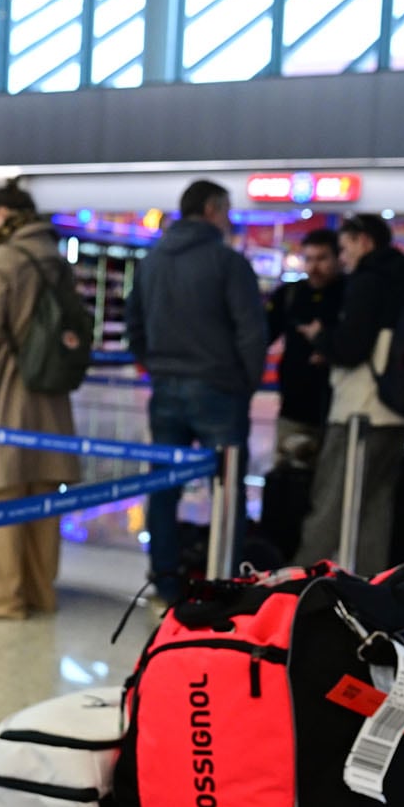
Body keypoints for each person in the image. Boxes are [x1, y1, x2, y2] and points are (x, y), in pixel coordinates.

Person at [128, 179, 266, 601]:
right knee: (225, 490)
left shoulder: (151, 262)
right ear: (210, 209)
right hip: (219, 388)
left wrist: (155, 367)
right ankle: (225, 581)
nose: (229, 219)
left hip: (166, 388)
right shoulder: (228, 263)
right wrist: (247, 383)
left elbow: (135, 328)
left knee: (164, 489)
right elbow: (251, 331)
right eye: (226, 210)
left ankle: (164, 580)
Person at [0, 182, 80, 618]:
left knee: (4, 495)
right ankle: (40, 593)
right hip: (50, 395)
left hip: (7, 394)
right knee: (44, 498)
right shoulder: (55, 257)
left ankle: (4, 599)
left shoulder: (4, 257)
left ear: (3, 214)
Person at [293, 214, 404, 572]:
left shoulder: (369, 281)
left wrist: (321, 336)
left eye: (346, 249)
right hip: (395, 409)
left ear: (364, 242)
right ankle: (367, 587)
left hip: (361, 410)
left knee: (332, 501)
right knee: (375, 508)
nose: (343, 258)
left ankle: (298, 587)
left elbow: (351, 347)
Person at [264, 228, 345, 467]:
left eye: (322, 258)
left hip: (337, 409)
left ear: (337, 258)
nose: (314, 267)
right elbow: (263, 336)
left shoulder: (351, 295)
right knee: (288, 479)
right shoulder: (289, 295)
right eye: (309, 259)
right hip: (294, 405)